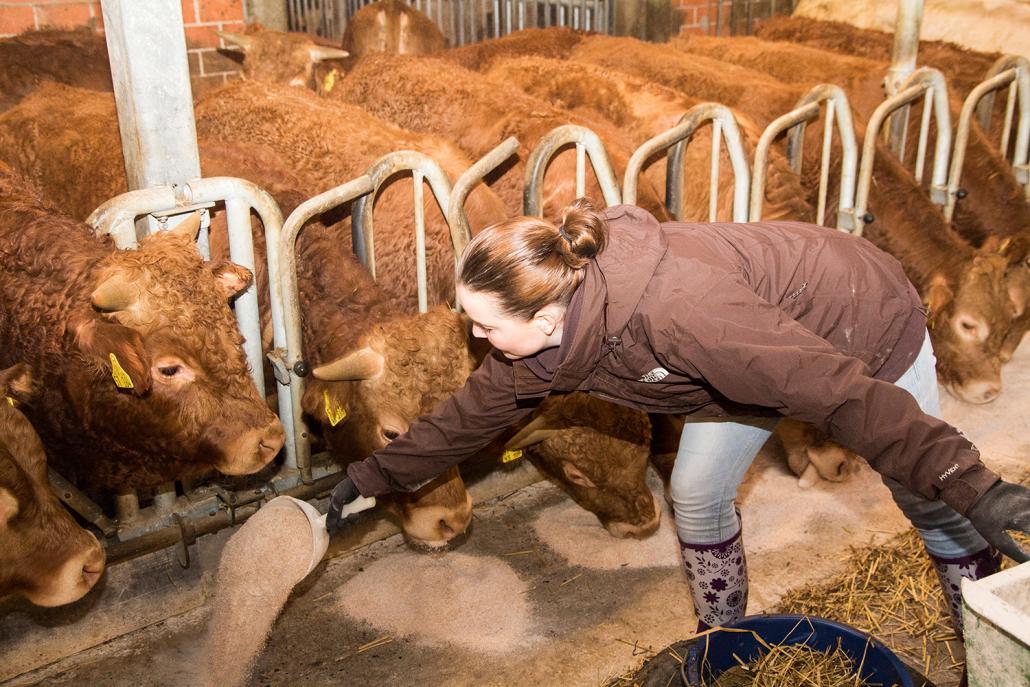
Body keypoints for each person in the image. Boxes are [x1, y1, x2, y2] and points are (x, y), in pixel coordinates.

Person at [323, 199, 1029, 636]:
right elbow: (464, 417)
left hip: (858, 318)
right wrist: (367, 479)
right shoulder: (545, 333)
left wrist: (977, 485)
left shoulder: (683, 316)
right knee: (695, 493)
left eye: (481, 325)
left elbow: (840, 393)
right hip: (745, 361)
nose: (474, 338)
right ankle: (724, 639)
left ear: (542, 319)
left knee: (929, 497)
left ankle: (985, 638)